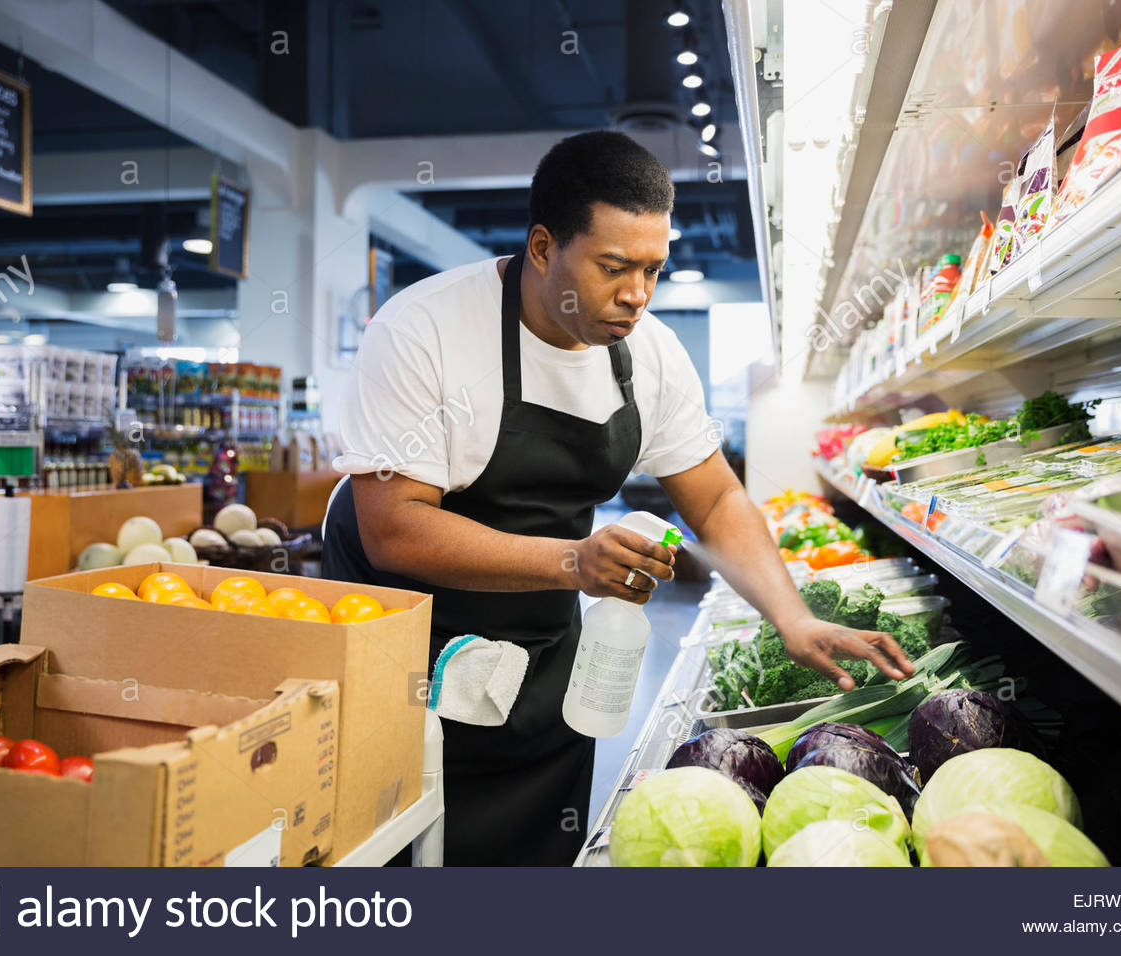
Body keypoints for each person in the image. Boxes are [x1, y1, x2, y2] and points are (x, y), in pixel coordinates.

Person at [323, 130, 913, 866]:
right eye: (613, 267)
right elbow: (394, 529)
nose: (636, 294)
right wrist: (574, 559)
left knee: (539, 852)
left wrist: (791, 615)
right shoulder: (427, 331)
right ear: (544, 248)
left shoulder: (651, 356)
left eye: (653, 270)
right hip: (406, 654)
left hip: (541, 655)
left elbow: (715, 499)